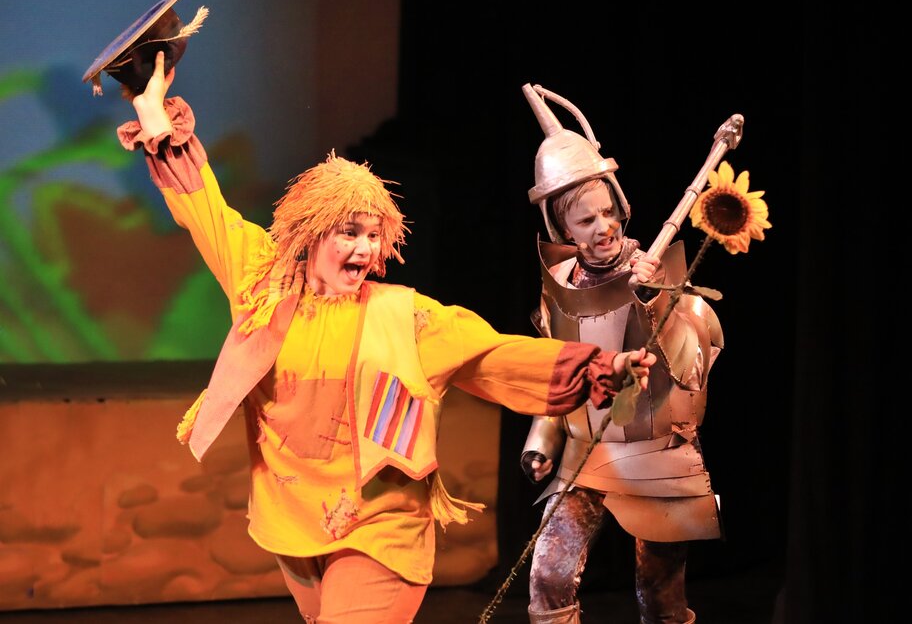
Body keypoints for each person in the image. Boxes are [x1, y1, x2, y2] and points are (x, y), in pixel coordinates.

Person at [114, 53, 655, 624]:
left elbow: (498, 355)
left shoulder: (405, 316)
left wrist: (603, 367)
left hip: (382, 527)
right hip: (294, 523)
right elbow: (208, 214)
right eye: (349, 233)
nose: (365, 248)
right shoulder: (263, 286)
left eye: (373, 235)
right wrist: (154, 116)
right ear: (310, 233)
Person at [518, 84, 724, 624]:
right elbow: (557, 371)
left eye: (608, 212)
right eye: (586, 221)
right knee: (549, 576)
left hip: (658, 455)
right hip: (584, 454)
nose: (604, 227)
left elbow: (691, 369)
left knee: (659, 593)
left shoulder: (656, 270)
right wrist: (543, 440)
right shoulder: (560, 284)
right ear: (562, 228)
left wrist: (659, 301)